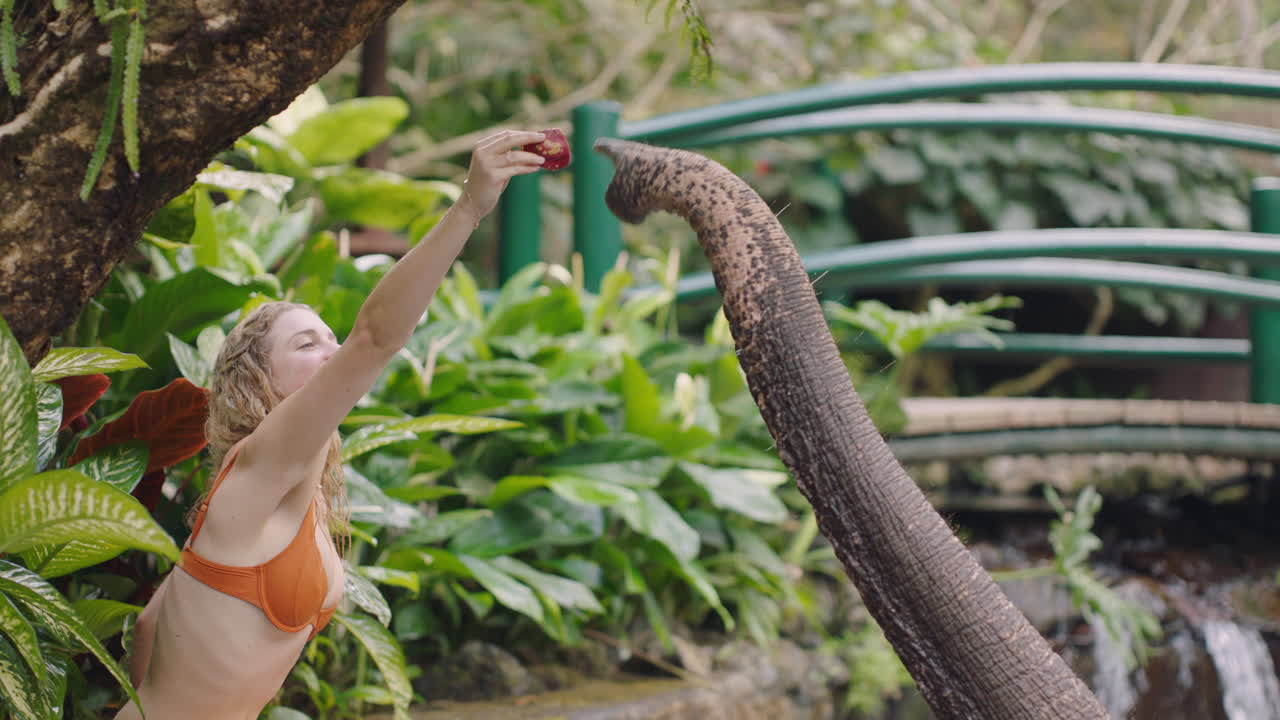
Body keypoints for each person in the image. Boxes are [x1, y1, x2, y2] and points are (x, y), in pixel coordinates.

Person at [114, 130, 549, 720]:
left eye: (331, 338)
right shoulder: (260, 465)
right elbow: (374, 337)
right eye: (306, 343)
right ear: (258, 380)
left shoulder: (282, 484)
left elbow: (148, 627)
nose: (333, 351)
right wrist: (469, 206)